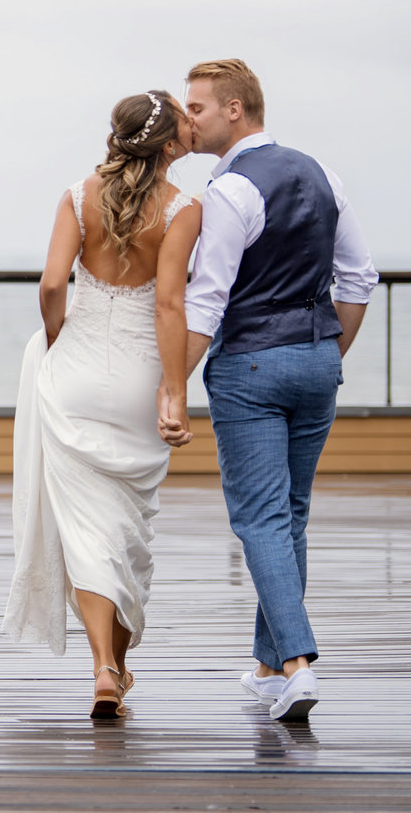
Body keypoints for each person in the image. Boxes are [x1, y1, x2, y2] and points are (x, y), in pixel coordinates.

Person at [159, 58, 377, 723]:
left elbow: (206, 299)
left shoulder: (229, 191)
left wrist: (173, 388)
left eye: (196, 107)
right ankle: (265, 666)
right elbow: (360, 276)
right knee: (291, 514)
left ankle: (296, 663)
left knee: (259, 517)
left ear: (234, 109)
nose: (186, 117)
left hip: (250, 366)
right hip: (317, 361)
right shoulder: (323, 174)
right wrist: (323, 351)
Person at [3, 90, 202, 720]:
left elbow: (52, 284)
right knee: (126, 529)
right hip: (141, 375)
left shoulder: (76, 196)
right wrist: (175, 392)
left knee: (87, 530)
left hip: (76, 373)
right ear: (170, 145)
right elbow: (171, 306)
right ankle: (114, 663)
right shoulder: (183, 209)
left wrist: (60, 338)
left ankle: (104, 668)